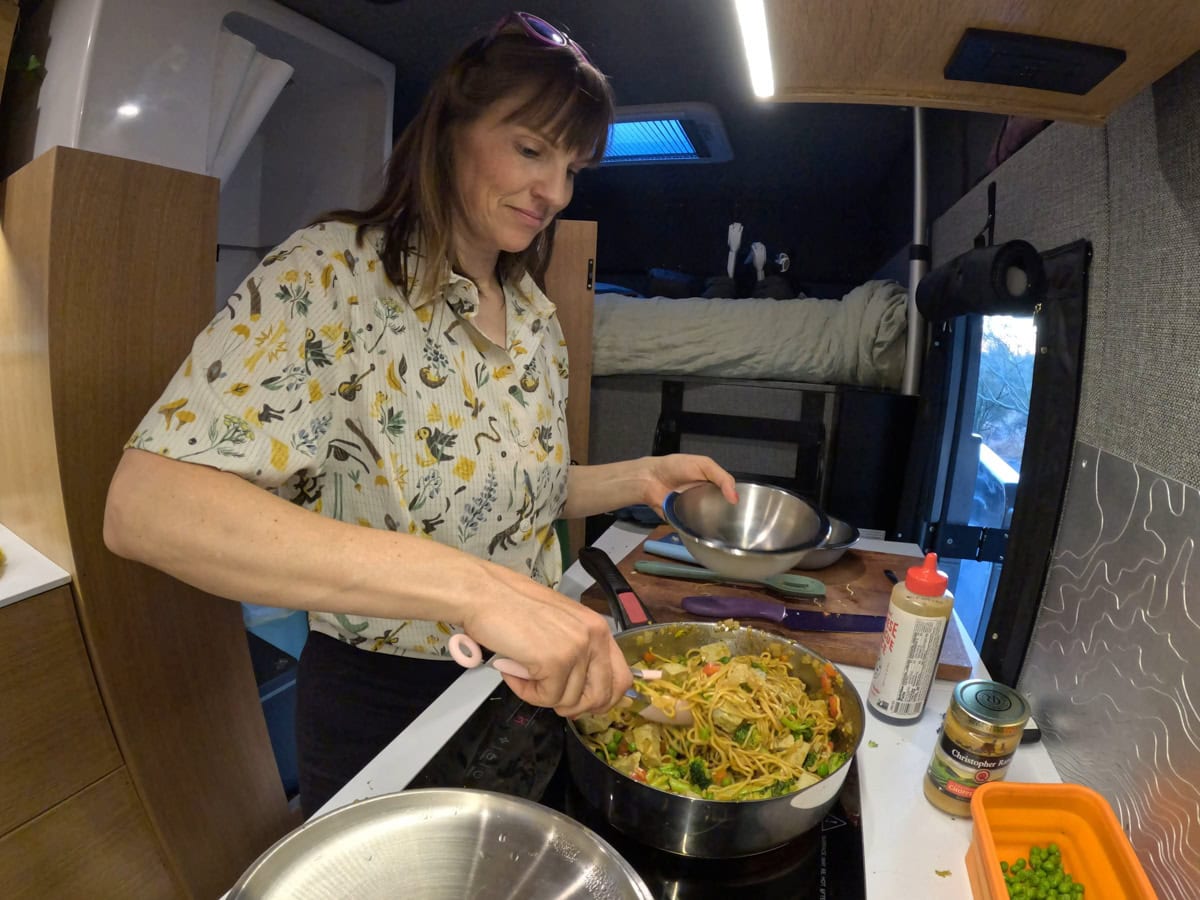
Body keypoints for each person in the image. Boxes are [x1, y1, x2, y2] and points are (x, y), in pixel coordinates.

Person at [103, 11, 737, 815]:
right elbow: (144, 507)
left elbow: (515, 490)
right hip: (384, 703)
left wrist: (637, 478)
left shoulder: (536, 318)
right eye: (532, 149)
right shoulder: (331, 273)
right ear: (449, 132)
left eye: (573, 167)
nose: (556, 191)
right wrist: (475, 593)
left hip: (528, 695)